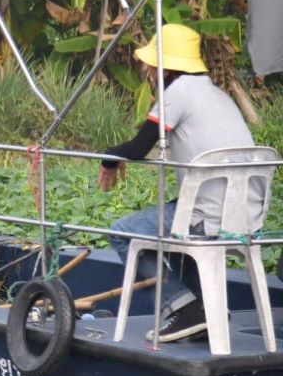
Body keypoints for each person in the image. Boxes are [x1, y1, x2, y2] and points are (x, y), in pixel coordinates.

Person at [98, 23, 262, 342]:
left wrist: (109, 157)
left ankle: (182, 307)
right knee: (173, 225)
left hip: (208, 217)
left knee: (122, 233)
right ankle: (205, 308)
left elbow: (137, 147)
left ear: (165, 65)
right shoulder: (216, 94)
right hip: (246, 216)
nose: (145, 69)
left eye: (150, 63)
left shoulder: (178, 92)